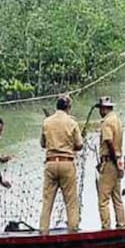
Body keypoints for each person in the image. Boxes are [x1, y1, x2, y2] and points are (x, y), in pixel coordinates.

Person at [39, 95, 83, 234]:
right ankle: (73, 231)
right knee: (71, 202)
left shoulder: (47, 122)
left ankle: (43, 231)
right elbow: (79, 144)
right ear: (68, 108)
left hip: (51, 163)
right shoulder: (72, 122)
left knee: (47, 201)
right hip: (66, 163)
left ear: (56, 107)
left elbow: (42, 144)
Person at [95, 96, 125, 229]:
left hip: (109, 162)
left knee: (103, 200)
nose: (99, 111)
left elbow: (108, 141)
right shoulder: (117, 120)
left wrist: (114, 159)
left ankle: (106, 227)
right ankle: (121, 224)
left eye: (100, 108)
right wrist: (119, 161)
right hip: (117, 161)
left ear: (104, 108)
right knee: (117, 198)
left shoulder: (107, 122)